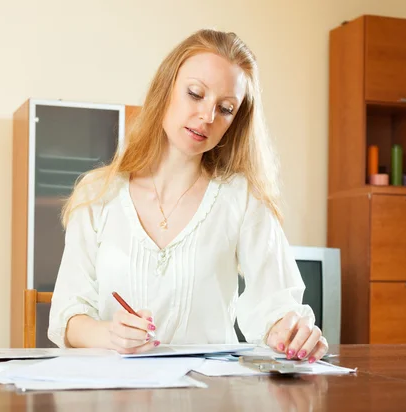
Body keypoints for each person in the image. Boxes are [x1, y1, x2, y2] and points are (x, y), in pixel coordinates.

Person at [47, 28, 328, 363]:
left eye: (225, 109)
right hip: (114, 394)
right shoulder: (98, 194)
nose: (207, 117)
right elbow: (68, 317)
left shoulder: (242, 198)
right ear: (166, 88)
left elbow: (276, 305)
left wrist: (291, 333)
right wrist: (111, 334)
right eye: (196, 94)